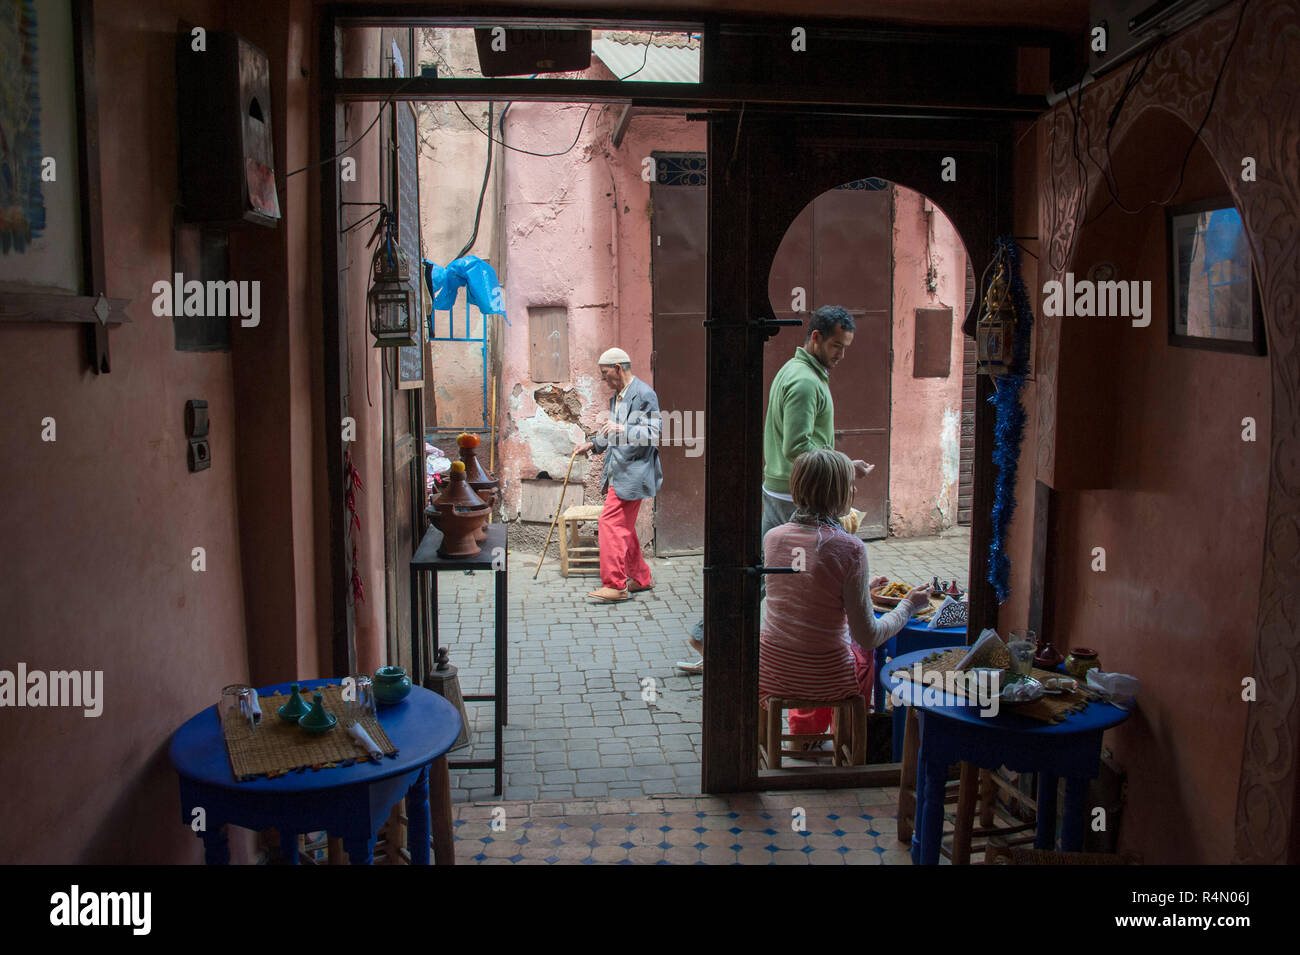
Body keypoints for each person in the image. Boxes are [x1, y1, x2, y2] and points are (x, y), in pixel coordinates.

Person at [679, 305, 875, 671]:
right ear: (815, 337)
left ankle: (715, 639)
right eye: (836, 346)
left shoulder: (799, 370)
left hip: (787, 489)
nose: (841, 355)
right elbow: (797, 447)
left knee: (766, 573)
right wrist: (845, 466)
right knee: (767, 576)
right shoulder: (803, 381)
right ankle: (712, 638)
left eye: (845, 347)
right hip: (794, 494)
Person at [759, 449, 931, 746]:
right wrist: (908, 606)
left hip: (771, 668)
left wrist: (861, 590)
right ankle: (849, 739)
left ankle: (804, 736)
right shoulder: (849, 547)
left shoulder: (773, 537)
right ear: (838, 493)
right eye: (850, 484)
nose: (854, 490)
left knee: (814, 641)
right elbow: (869, 635)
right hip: (825, 676)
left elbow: (806, 591)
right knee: (865, 655)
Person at [574, 347, 663, 602]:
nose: (603, 380)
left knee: (609, 524)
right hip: (619, 471)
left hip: (634, 473)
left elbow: (653, 434)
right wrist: (592, 444)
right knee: (624, 527)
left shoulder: (645, 394)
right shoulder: (619, 396)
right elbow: (613, 432)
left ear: (617, 369)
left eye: (604, 374)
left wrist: (622, 428)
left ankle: (616, 585)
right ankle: (641, 578)